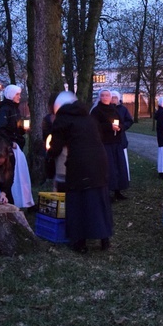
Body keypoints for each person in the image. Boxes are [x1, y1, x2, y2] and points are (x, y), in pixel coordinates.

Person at [47, 91, 113, 253]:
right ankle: (104, 238)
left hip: (79, 164)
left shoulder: (63, 120)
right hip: (99, 161)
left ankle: (80, 241)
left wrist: (48, 153)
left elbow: (55, 146)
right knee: (98, 197)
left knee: (78, 201)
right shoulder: (88, 117)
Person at [0, 84, 34, 209]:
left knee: (20, 174)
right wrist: (9, 142)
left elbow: (13, 127)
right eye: (17, 94)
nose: (19, 96)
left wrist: (22, 130)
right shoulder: (5, 110)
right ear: (11, 95)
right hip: (10, 148)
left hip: (16, 146)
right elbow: (0, 129)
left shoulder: (14, 109)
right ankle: (13, 200)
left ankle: (23, 201)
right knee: (13, 175)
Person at [90, 89, 129, 201]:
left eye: (107, 95)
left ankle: (118, 191)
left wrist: (119, 127)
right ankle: (106, 193)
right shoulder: (96, 111)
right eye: (103, 95)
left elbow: (122, 122)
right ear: (100, 97)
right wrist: (109, 127)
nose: (105, 97)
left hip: (116, 142)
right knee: (108, 168)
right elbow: (94, 126)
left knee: (118, 167)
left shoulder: (113, 108)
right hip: (104, 143)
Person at [110, 90, 134, 180]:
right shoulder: (107, 109)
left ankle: (123, 178)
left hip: (120, 137)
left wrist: (121, 127)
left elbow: (129, 121)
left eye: (115, 98)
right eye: (112, 97)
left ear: (118, 99)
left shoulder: (123, 109)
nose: (113, 99)